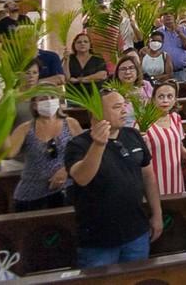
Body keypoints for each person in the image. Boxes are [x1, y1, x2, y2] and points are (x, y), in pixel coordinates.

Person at [65, 90, 163, 267]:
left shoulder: (132, 136)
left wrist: (157, 214)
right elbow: (82, 178)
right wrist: (98, 144)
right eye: (117, 107)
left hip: (136, 232)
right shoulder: (78, 144)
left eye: (124, 105)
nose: (124, 111)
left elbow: (148, 176)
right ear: (96, 113)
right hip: (98, 240)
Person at [6, 89, 83, 210]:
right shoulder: (25, 129)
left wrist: (66, 170)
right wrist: (2, 127)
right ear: (35, 105)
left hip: (67, 190)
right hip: (32, 194)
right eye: (43, 99)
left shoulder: (71, 124)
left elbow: (83, 152)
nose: (48, 101)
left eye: (52, 97)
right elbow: (8, 153)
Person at [145, 80, 186, 195]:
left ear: (174, 100)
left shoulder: (175, 118)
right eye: (161, 96)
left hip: (175, 177)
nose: (165, 100)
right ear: (153, 99)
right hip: (154, 180)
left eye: (169, 96)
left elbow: (179, 145)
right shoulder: (144, 123)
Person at [113, 56, 152, 128]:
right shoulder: (113, 92)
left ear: (137, 70)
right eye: (123, 69)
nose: (127, 72)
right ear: (117, 73)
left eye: (131, 68)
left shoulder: (145, 85)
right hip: (125, 129)